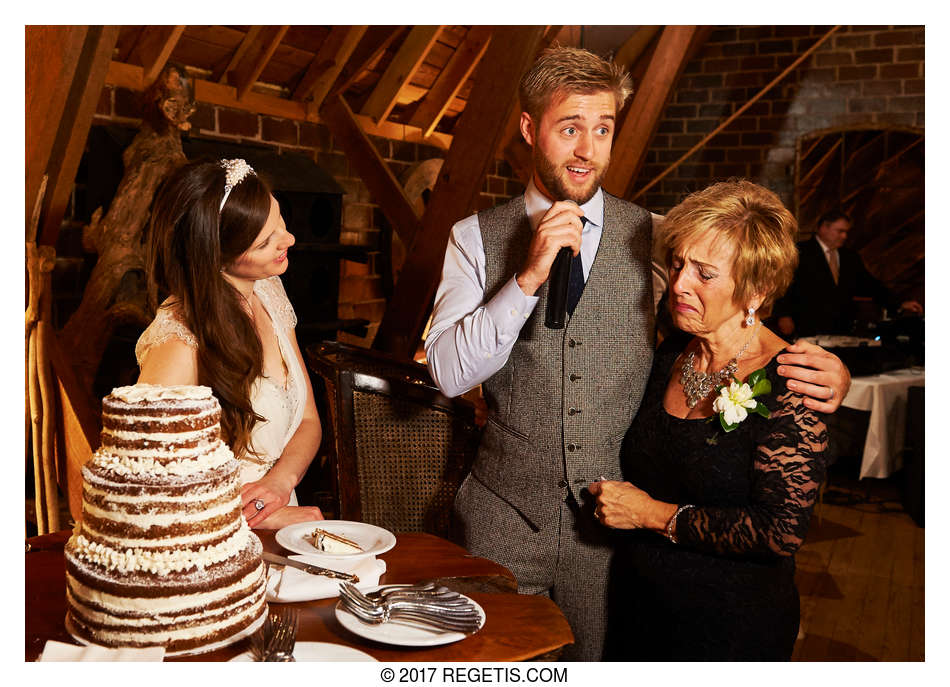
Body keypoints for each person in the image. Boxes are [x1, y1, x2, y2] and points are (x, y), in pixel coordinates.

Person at [424, 47, 850, 661]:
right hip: (500, 515)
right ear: (527, 129)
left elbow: (726, 316)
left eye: (603, 130)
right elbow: (446, 371)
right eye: (569, 128)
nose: (586, 150)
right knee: (487, 666)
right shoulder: (474, 237)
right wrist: (526, 277)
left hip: (611, 529)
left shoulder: (655, 237)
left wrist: (828, 372)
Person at [590, 180, 827, 660]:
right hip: (637, 608)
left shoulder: (793, 385)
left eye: (704, 273)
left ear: (756, 291)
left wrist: (650, 514)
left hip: (729, 625)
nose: (679, 284)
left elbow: (779, 529)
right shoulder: (673, 350)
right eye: (678, 264)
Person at [136, 158, 324, 530]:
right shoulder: (179, 343)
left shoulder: (269, 292)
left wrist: (278, 485)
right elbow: (149, 496)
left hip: (276, 511)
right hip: (212, 539)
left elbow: (307, 420)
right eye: (265, 241)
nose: (289, 240)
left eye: (280, 221)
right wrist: (261, 518)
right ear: (217, 254)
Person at [773, 209, 923, 337]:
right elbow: (782, 284)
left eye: (846, 232)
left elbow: (870, 284)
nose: (844, 236)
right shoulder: (800, 252)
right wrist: (783, 315)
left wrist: (899, 303)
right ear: (824, 228)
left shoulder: (849, 257)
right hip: (806, 326)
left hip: (841, 329)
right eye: (840, 231)